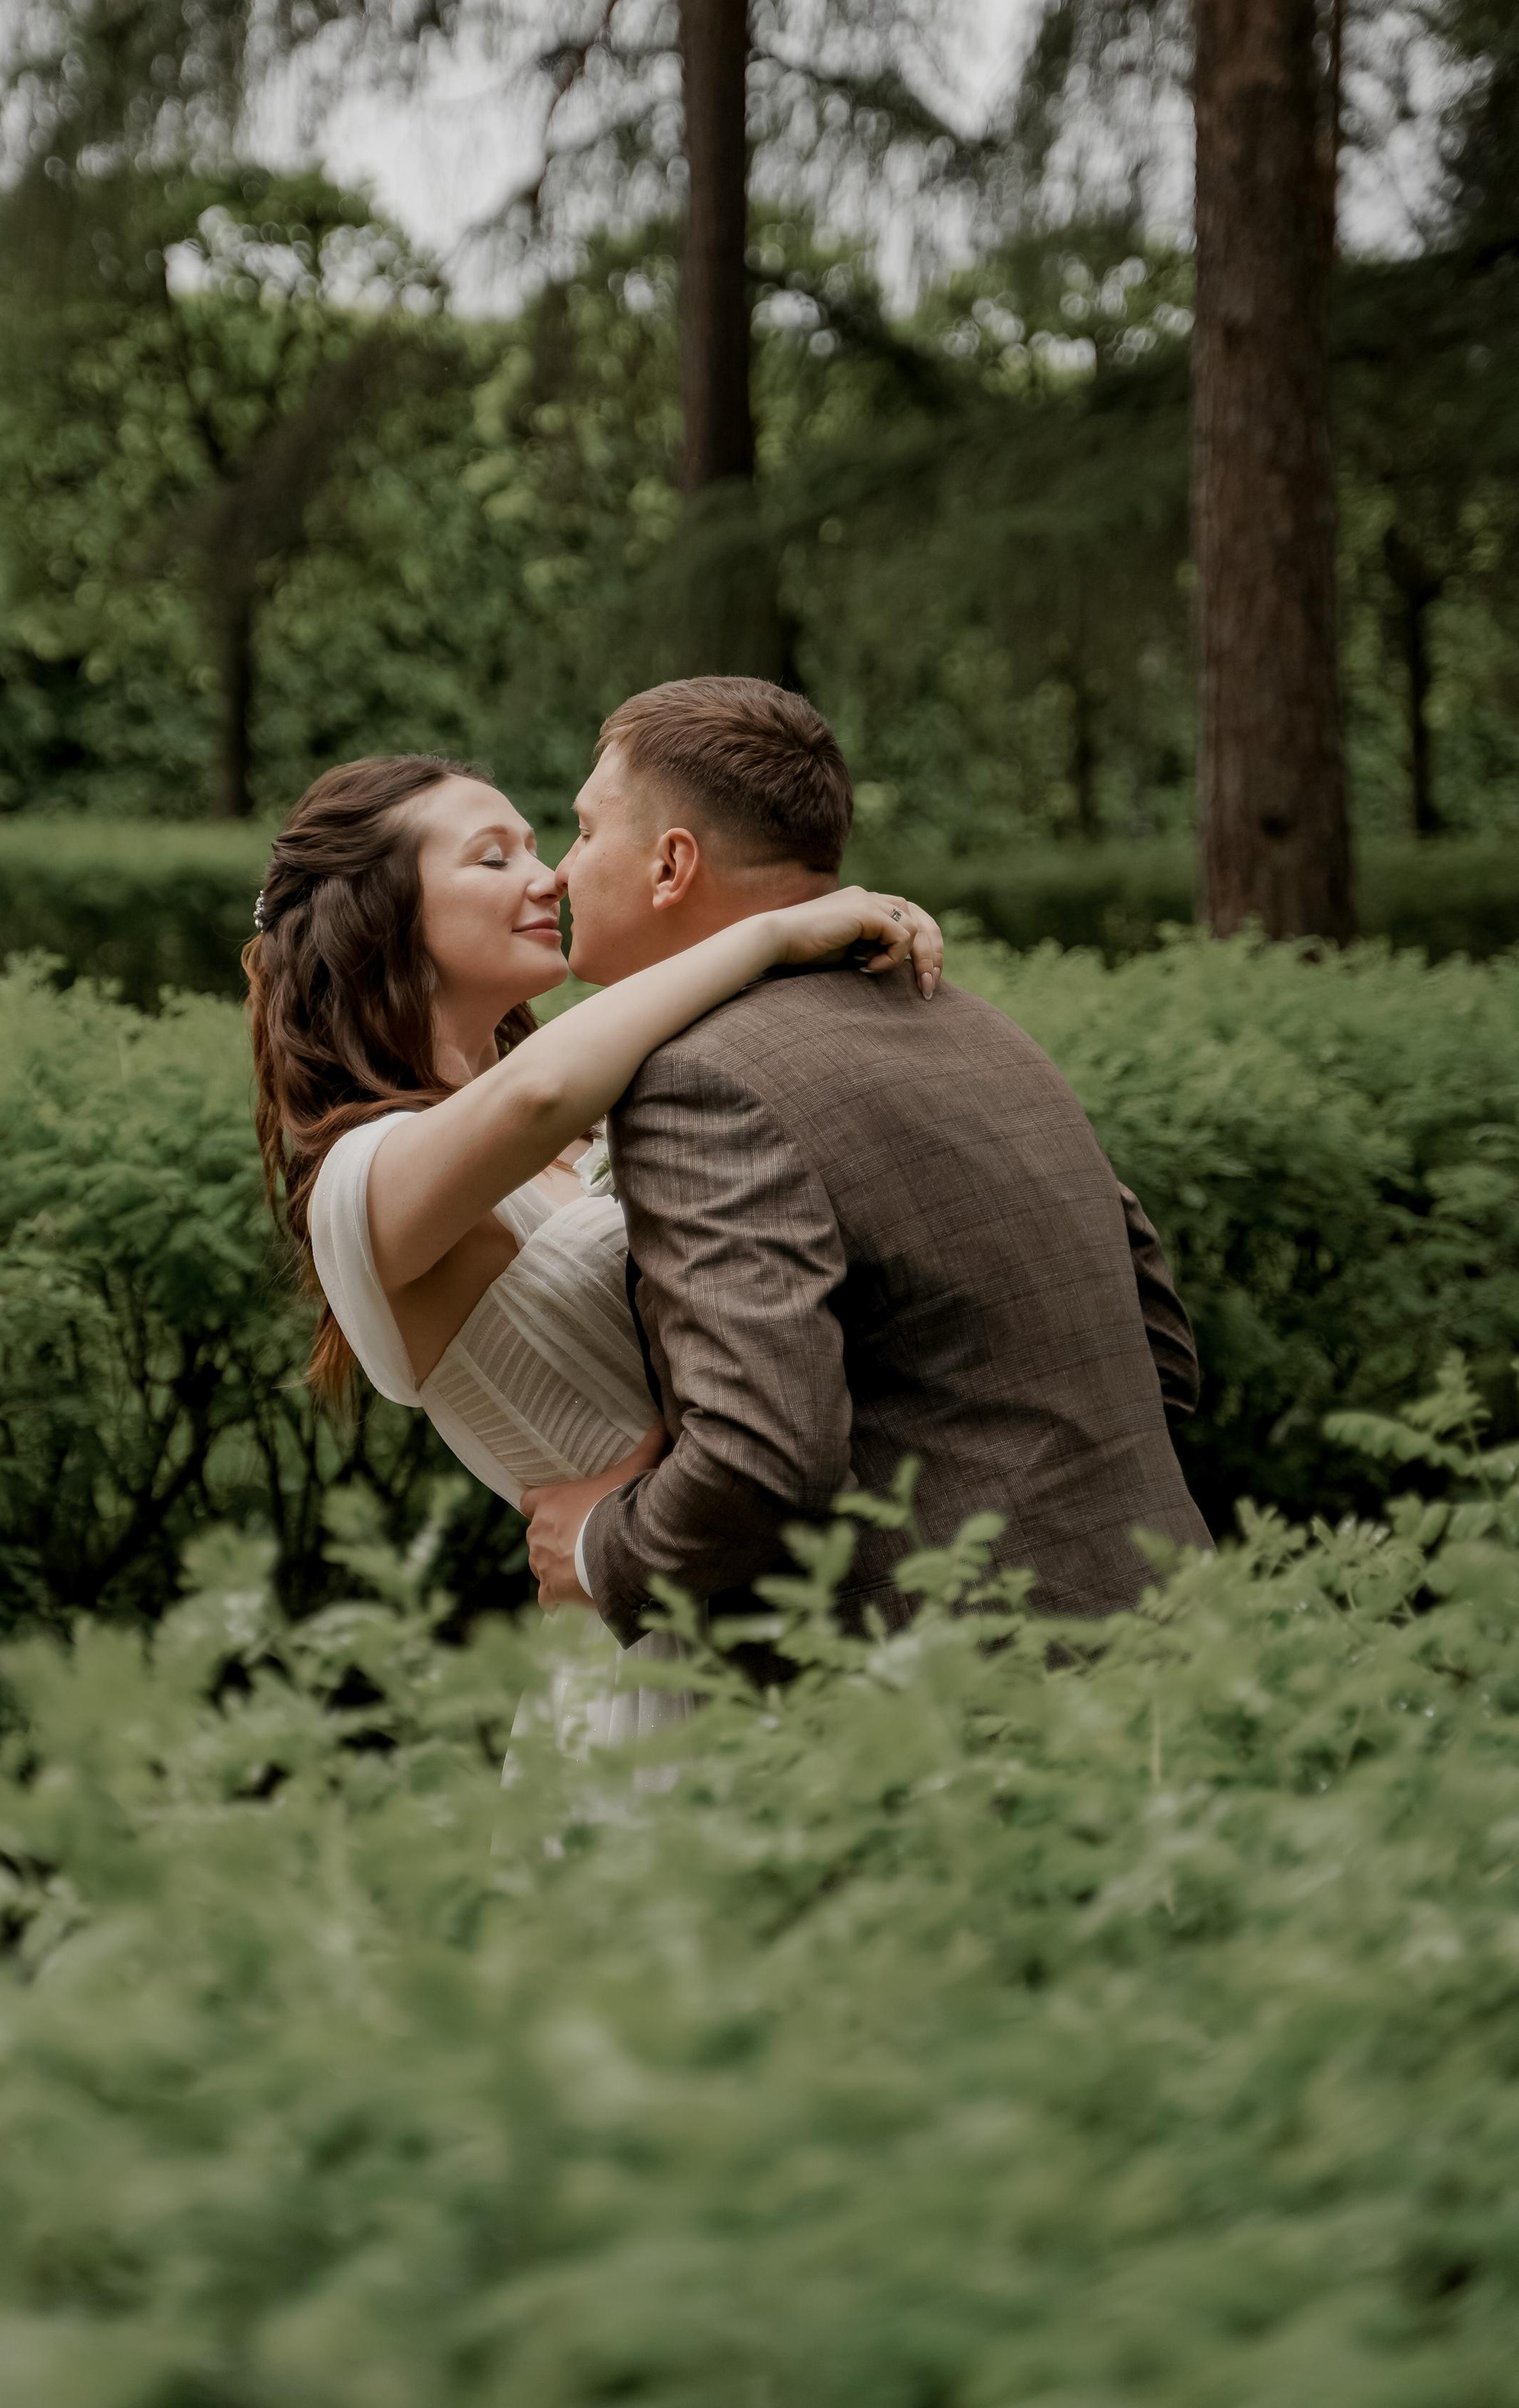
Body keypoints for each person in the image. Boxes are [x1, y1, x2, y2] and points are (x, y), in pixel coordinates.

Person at [245, 743, 945, 1744]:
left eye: (543, 845)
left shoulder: (598, 1115)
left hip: (818, 1627)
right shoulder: (363, 1186)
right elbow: (535, 1091)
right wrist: (776, 934)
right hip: (655, 1676)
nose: (551, 877)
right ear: (380, 916)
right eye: (494, 858)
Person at [521, 677, 1210, 1648]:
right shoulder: (976, 1026)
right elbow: (1160, 1359)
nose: (560, 869)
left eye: (586, 833)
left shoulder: (700, 1079)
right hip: (1181, 1628)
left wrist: (601, 1547)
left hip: (957, 1703)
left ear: (671, 865)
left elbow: (763, 1455)